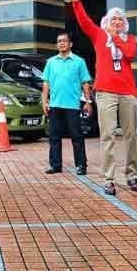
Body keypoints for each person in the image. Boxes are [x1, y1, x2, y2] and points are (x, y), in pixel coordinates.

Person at [69, 0, 137, 196]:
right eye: (113, 19)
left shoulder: (130, 39)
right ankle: (109, 179)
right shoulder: (99, 35)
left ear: (124, 23)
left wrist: (116, 37)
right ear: (106, 21)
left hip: (127, 91)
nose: (117, 21)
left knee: (130, 135)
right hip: (105, 91)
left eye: (120, 19)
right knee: (107, 135)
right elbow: (84, 21)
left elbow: (129, 54)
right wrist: (75, 0)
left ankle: (131, 175)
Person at [41, 32, 93, 175]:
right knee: (54, 137)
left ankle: (81, 165)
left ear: (70, 44)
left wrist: (88, 102)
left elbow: (85, 83)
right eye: (59, 41)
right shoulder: (51, 62)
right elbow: (46, 83)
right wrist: (44, 102)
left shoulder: (79, 62)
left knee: (77, 137)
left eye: (64, 41)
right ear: (57, 44)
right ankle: (55, 165)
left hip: (72, 105)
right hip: (55, 105)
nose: (62, 43)